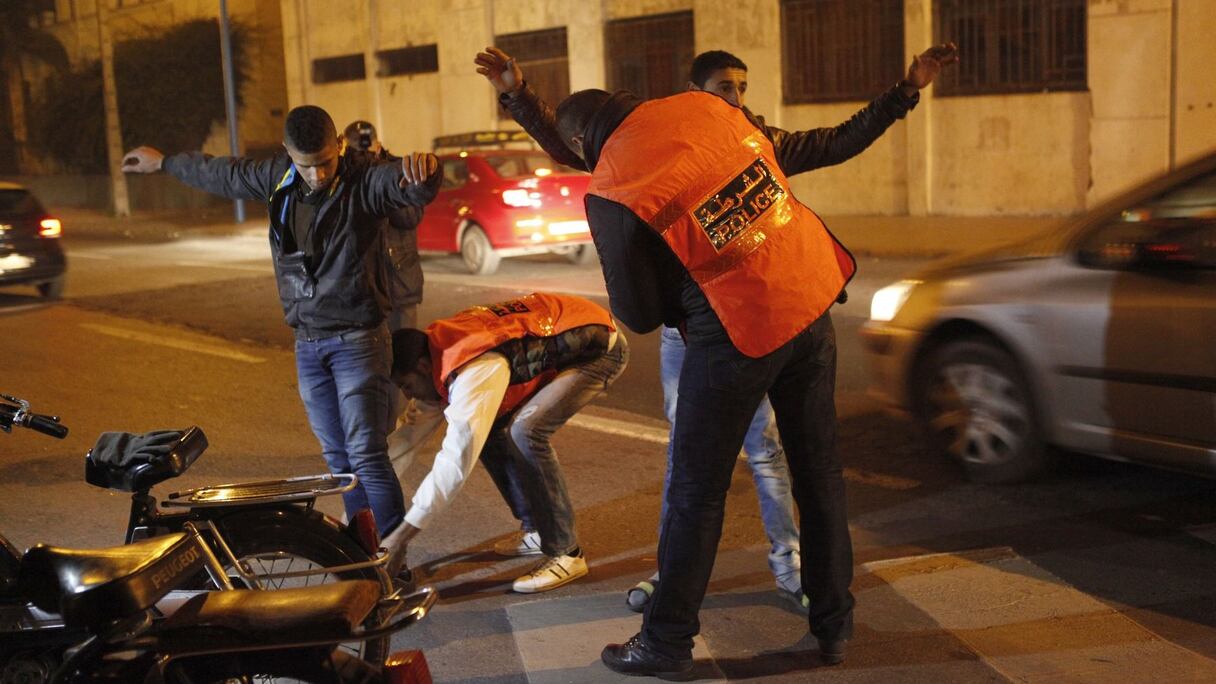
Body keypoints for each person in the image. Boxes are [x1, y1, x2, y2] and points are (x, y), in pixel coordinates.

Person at [477, 43, 958, 676]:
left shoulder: (613, 187)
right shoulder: (710, 110)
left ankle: (667, 640)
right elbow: (583, 137)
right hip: (810, 300)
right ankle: (834, 625)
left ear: (583, 149)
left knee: (694, 493)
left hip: (735, 331)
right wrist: (522, 100)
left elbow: (641, 313)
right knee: (819, 474)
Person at [122, 105, 442, 540]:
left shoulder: (363, 178)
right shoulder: (279, 177)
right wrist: (165, 163)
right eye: (305, 165)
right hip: (308, 344)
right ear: (288, 153)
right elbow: (224, 174)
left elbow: (405, 187)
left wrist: (425, 174)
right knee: (339, 462)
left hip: (358, 340)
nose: (316, 175)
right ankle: (366, 551)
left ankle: (392, 555)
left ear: (339, 148)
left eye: (325, 163)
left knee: (366, 455)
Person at [384, 292, 628, 593]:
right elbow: (405, 440)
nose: (410, 397)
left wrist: (402, 535)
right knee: (493, 431)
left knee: (526, 432)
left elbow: (456, 459)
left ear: (422, 367)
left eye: (407, 386)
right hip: (565, 331)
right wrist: (358, 503)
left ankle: (567, 553)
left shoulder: (473, 368)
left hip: (599, 349)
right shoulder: (436, 353)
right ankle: (536, 530)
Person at [343, 120, 424, 332]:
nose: (363, 156)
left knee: (406, 355)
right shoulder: (342, 177)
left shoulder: (399, 170)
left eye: (367, 150)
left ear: (378, 145)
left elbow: (410, 217)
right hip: (362, 292)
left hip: (400, 283)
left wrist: (382, 182)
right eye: (357, 152)